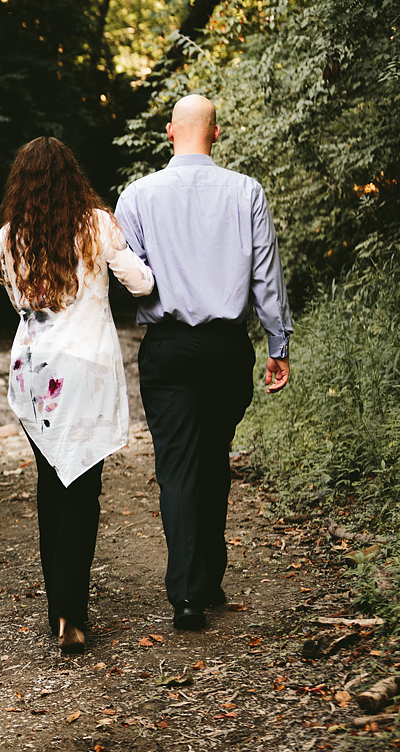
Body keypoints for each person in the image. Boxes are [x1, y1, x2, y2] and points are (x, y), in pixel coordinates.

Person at [114, 94, 292, 632]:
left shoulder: (137, 196)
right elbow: (266, 277)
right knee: (214, 456)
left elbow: (130, 277)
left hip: (166, 347)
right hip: (225, 347)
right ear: (216, 134)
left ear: (170, 132)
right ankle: (207, 578)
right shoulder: (246, 192)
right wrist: (277, 346)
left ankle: (189, 594)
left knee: (178, 467)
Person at [0, 137, 155, 655]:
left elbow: (21, 300)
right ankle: (71, 615)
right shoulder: (97, 225)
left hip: (34, 370)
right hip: (83, 373)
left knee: (49, 485)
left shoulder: (8, 235)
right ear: (71, 175)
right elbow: (141, 284)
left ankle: (58, 610)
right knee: (82, 490)